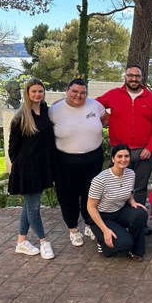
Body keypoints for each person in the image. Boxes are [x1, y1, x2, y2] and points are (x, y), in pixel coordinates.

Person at [96, 64, 152, 235]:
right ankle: (117, 220)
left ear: (141, 78)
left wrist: (150, 147)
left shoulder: (150, 98)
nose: (133, 79)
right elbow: (93, 106)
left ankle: (139, 222)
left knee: (140, 188)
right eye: (130, 75)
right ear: (125, 76)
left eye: (137, 76)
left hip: (143, 151)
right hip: (119, 151)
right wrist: (107, 119)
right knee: (117, 186)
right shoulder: (114, 95)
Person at [49, 78, 105, 247]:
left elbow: (107, 120)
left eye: (82, 92)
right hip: (66, 161)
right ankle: (73, 229)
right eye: (74, 91)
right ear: (67, 90)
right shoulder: (54, 110)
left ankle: (89, 224)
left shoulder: (95, 105)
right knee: (68, 195)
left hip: (93, 158)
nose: (78, 96)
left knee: (91, 194)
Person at [8, 78, 56, 260]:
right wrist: (20, 169)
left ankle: (21, 242)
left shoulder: (45, 111)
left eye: (40, 91)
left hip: (41, 166)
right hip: (27, 168)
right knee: (34, 208)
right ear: (27, 93)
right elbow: (12, 148)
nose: (37, 94)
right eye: (33, 91)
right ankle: (44, 242)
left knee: (28, 206)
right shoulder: (21, 117)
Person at [87, 144, 148, 261]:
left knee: (140, 213)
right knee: (123, 244)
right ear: (113, 159)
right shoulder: (100, 179)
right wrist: (105, 230)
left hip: (120, 211)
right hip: (102, 217)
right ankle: (103, 243)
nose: (123, 159)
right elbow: (91, 207)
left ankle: (136, 251)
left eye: (126, 156)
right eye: (119, 156)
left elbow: (129, 191)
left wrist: (132, 201)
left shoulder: (130, 174)